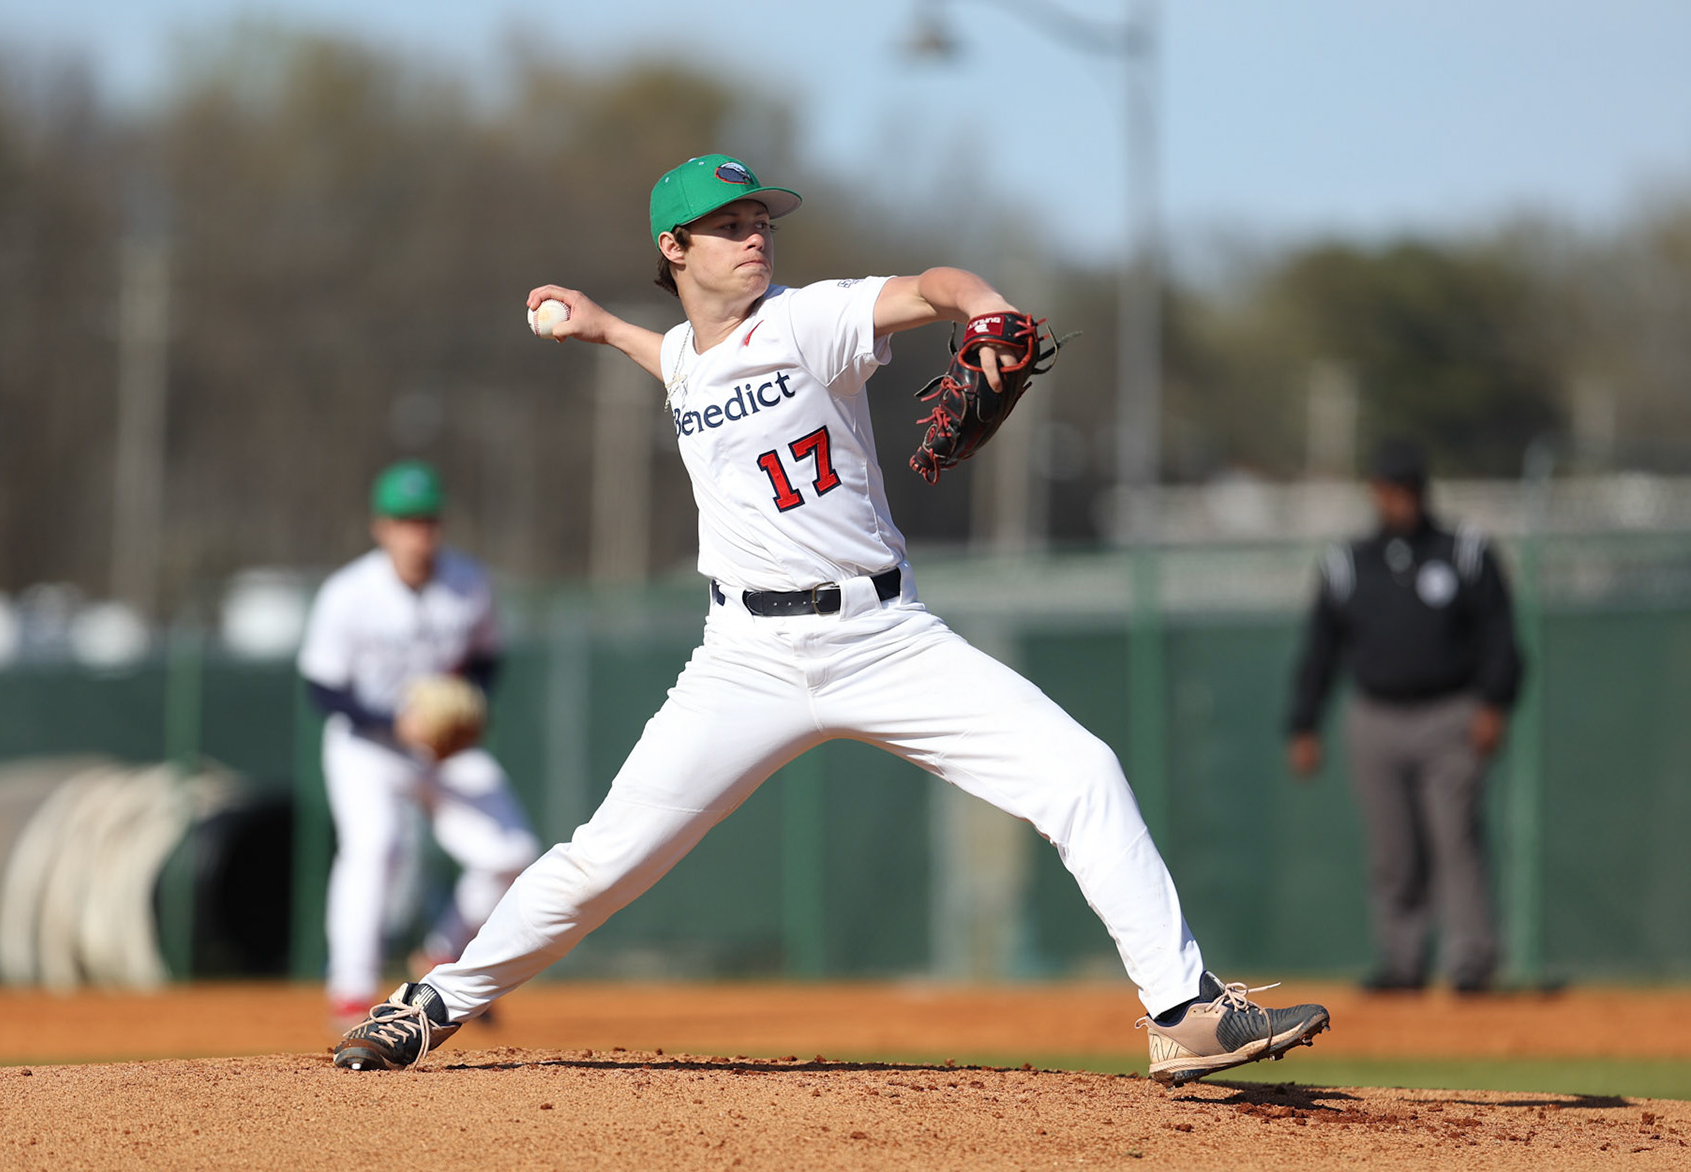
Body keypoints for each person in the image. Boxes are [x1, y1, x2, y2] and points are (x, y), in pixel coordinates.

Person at [335, 154, 1329, 1084]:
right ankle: (432, 1001)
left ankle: (1182, 1010)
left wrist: (984, 304)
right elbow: (681, 363)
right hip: (746, 658)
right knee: (602, 859)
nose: (754, 236)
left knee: (1082, 770)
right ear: (674, 251)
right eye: (726, 225)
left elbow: (932, 287)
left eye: (760, 219)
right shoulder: (684, 353)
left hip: (885, 637)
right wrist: (602, 326)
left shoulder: (813, 321)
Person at [298, 460, 541, 1030]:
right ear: (381, 527)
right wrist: (390, 719)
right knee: (377, 847)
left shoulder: (469, 582)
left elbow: (486, 658)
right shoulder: (349, 593)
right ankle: (352, 990)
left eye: (427, 520)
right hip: (367, 746)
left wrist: (467, 701)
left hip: (442, 748)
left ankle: (442, 955)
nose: (418, 533)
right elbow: (321, 688)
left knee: (513, 852)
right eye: (406, 521)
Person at [1286, 439, 1523, 994]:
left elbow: (1499, 634)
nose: (1399, 500)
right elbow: (1321, 648)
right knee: (1393, 848)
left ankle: (1470, 961)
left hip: (1450, 714)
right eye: (1389, 489)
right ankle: (1403, 960)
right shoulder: (1349, 563)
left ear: (1423, 490)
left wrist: (1495, 701)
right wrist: (1304, 721)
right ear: (1374, 492)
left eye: (1408, 489)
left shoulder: (1463, 550)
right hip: (1376, 716)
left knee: (1455, 840)